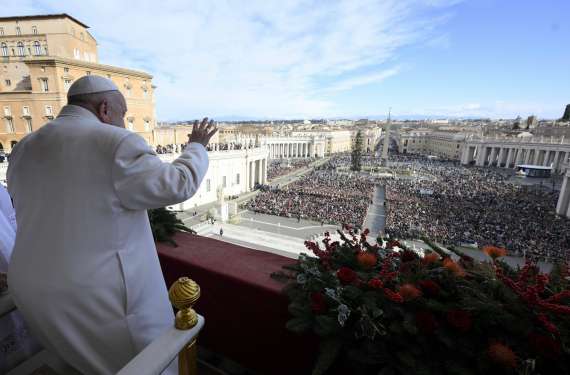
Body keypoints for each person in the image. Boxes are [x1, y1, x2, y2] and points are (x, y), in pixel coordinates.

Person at [7, 75, 217, 375]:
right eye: (123, 115)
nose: (124, 123)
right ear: (105, 109)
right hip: (98, 299)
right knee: (148, 363)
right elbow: (178, 184)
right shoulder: (115, 142)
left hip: (32, 290)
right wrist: (196, 147)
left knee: (77, 362)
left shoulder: (24, 147)